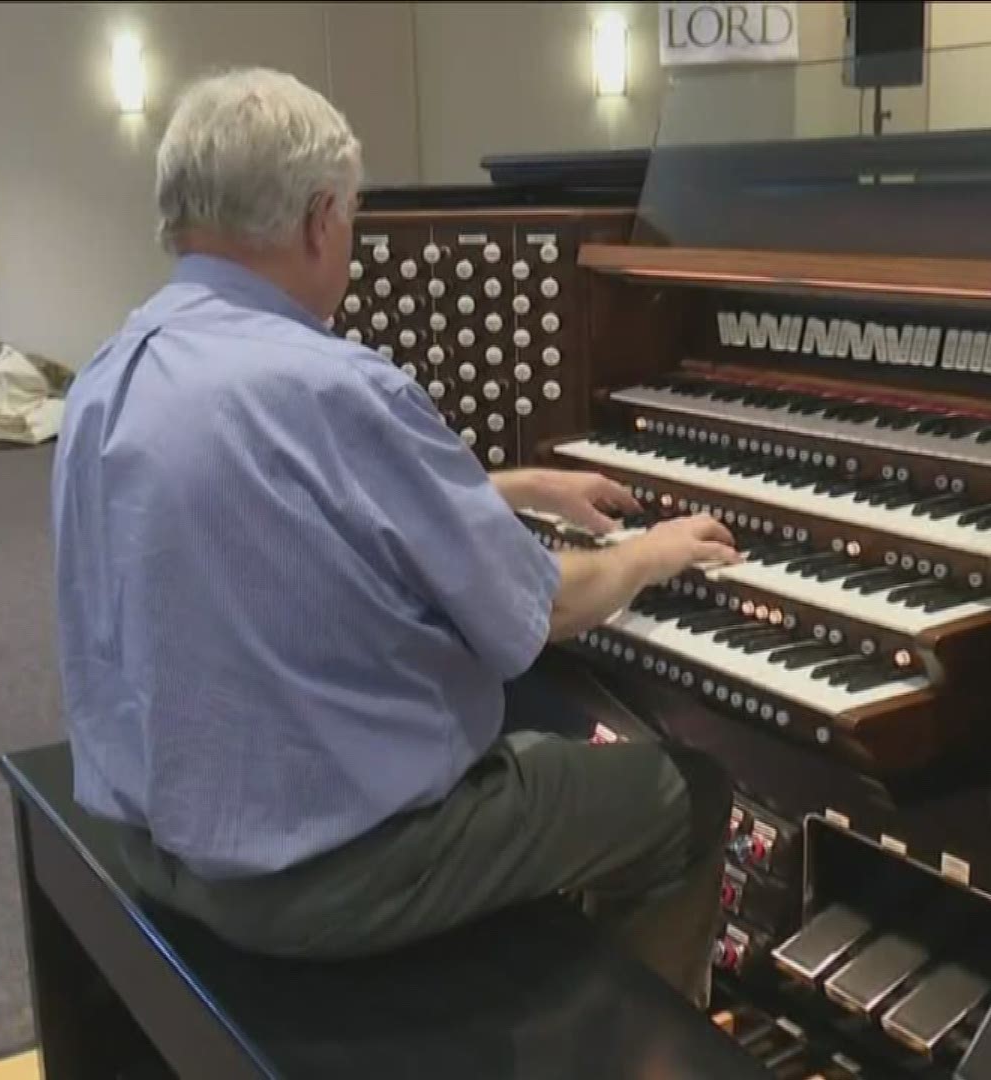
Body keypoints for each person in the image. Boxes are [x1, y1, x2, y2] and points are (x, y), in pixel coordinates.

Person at [50, 67, 742, 1006]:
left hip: (160, 843)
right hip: (327, 878)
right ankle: (614, 1048)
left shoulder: (111, 369)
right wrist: (650, 553)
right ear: (317, 220)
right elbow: (537, 612)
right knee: (685, 797)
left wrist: (507, 486)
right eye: (354, 217)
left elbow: (274, 503)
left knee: (541, 730)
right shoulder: (333, 387)